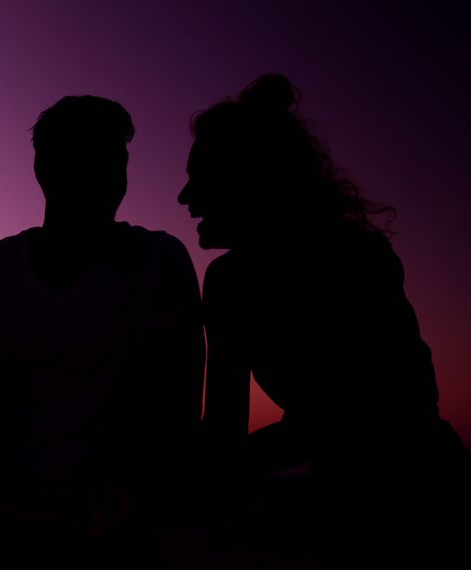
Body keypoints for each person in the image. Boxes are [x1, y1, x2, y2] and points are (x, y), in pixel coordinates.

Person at [179, 73, 471, 565]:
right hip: (340, 495)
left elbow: (388, 411)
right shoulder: (227, 281)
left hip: (423, 499)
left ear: (253, 180)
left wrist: (215, 473)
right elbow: (225, 428)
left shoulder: (359, 260)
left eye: (202, 177)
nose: (186, 198)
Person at [0, 96, 205, 568]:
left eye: (116, 161)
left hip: (118, 519)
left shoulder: (160, 261)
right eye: (91, 158)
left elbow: (174, 407)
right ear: (45, 168)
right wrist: (2, 483)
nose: (109, 175)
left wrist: (122, 482)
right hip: (11, 516)